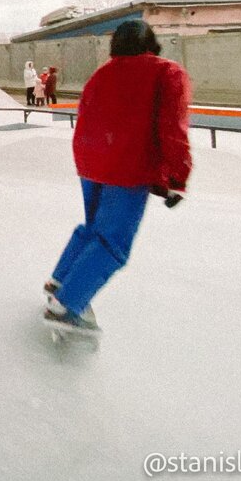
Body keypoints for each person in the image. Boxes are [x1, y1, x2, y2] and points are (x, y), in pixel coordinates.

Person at [43, 19, 192, 334]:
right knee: (113, 242)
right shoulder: (167, 73)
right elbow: (172, 129)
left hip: (90, 161)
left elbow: (87, 116)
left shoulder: (102, 74)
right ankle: (68, 303)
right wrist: (177, 178)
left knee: (94, 228)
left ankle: (59, 281)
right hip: (126, 166)